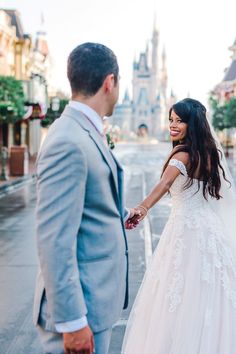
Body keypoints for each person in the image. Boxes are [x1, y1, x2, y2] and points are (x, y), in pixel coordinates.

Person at [33, 42, 139, 354]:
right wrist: (71, 321)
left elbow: (84, 204)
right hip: (80, 311)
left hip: (94, 304)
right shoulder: (69, 139)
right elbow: (53, 238)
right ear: (110, 82)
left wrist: (117, 213)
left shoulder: (84, 130)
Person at [122, 98, 236, 353]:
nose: (173, 125)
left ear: (192, 123)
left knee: (177, 297)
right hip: (210, 231)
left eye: (179, 120)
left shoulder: (181, 155)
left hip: (185, 231)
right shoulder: (209, 155)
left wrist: (141, 209)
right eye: (171, 119)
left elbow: (163, 186)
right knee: (208, 294)